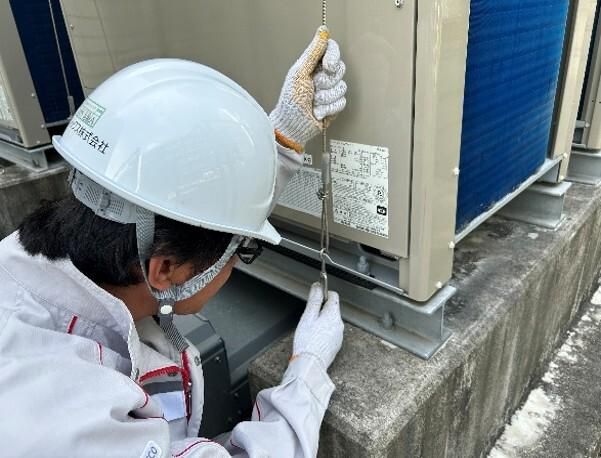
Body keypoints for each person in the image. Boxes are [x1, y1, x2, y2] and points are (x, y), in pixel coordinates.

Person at [0, 27, 347, 457]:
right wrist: (305, 374)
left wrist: (278, 141)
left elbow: (168, 198)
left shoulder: (33, 266)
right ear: (164, 269)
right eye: (242, 251)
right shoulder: (69, 428)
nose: (238, 260)